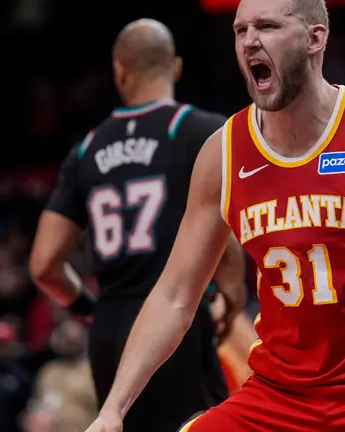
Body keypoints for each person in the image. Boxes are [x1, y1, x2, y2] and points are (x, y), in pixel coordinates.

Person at [84, 0, 345, 430]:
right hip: (281, 395)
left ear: (315, 38)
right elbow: (175, 296)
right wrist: (112, 410)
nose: (250, 41)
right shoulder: (223, 154)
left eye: (267, 26)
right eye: (240, 30)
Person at [29, 18, 246, 432]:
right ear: (175, 67)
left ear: (119, 71)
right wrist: (232, 290)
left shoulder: (86, 148)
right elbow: (222, 228)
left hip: (110, 328)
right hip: (177, 321)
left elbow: (44, 264)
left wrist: (89, 308)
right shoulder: (202, 131)